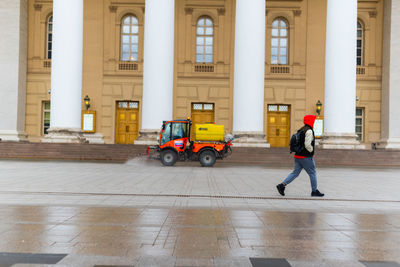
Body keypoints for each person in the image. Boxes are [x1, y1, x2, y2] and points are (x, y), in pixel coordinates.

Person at [276, 115, 324, 197]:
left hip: (297, 156)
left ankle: (282, 185)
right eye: (313, 120)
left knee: (295, 173)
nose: (314, 122)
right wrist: (311, 150)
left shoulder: (301, 130)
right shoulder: (309, 131)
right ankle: (314, 191)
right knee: (312, 173)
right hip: (306, 157)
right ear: (310, 121)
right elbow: (307, 144)